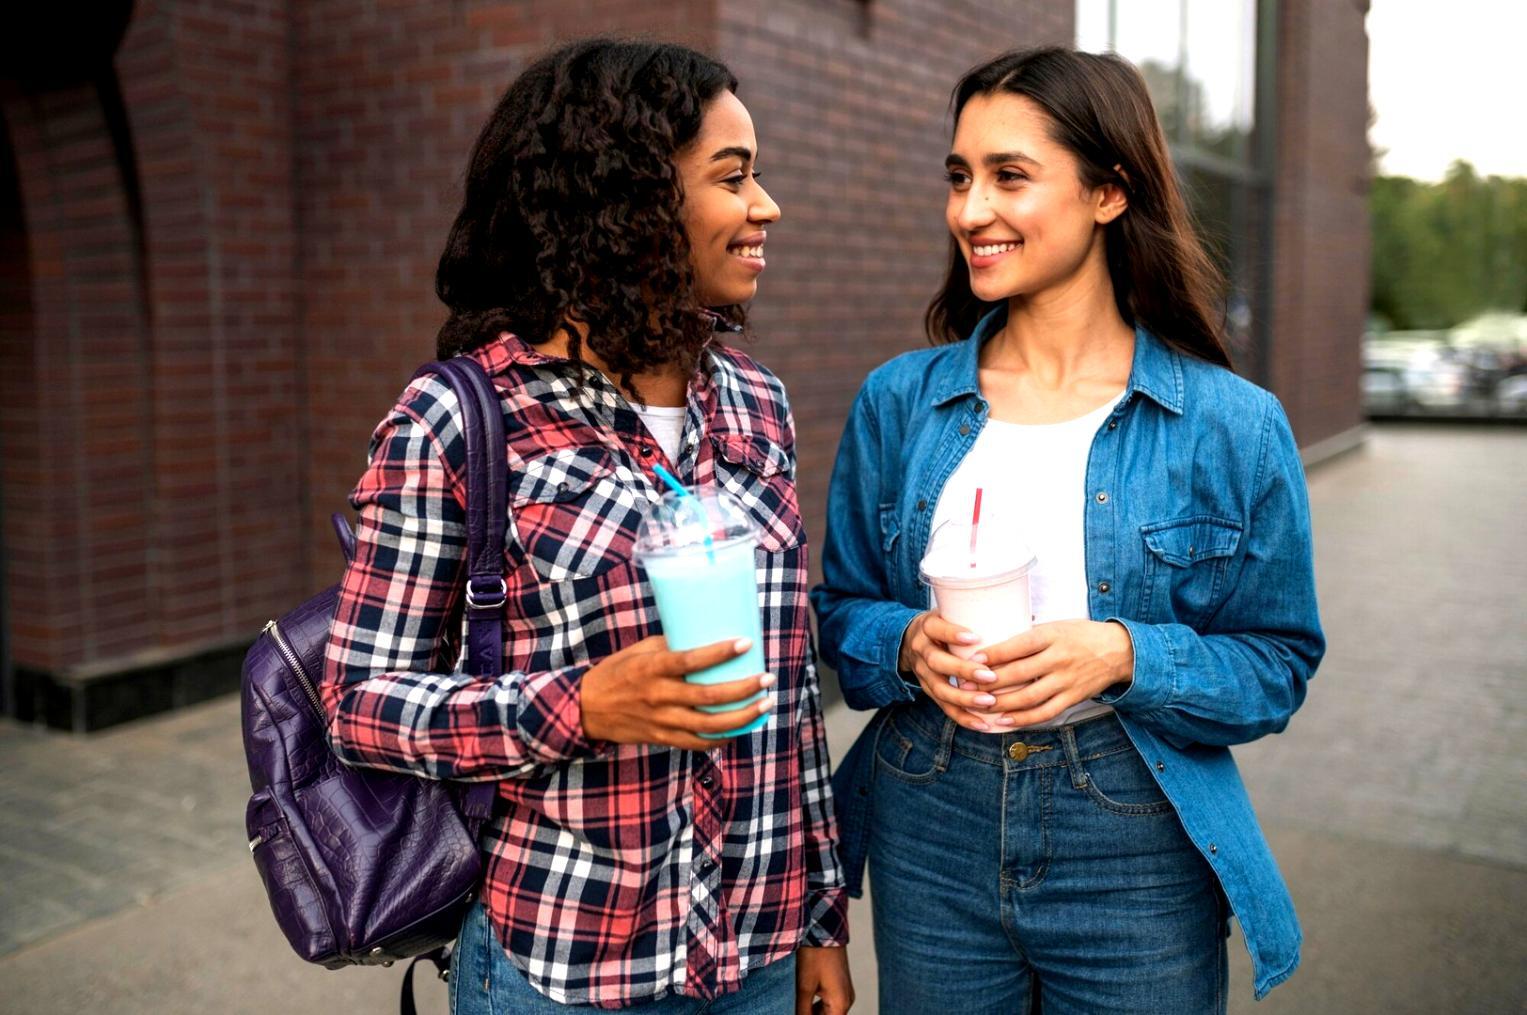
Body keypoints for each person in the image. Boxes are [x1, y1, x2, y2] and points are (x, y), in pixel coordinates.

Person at [322, 38, 853, 1015]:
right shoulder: (463, 420)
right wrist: (581, 704)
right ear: (632, 201)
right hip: (565, 968)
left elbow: (786, 692)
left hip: (758, 957)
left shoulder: (757, 405)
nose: (765, 205)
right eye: (733, 178)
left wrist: (820, 921)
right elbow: (356, 702)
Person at [812, 47, 1323, 1012]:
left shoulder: (1233, 424)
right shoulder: (899, 404)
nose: (970, 210)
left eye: (1009, 176)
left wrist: (1125, 653)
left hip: (1132, 832)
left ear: (1107, 192)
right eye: (958, 178)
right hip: (931, 821)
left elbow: (1277, 664)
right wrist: (906, 642)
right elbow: (838, 612)